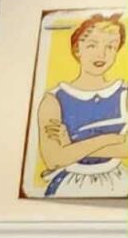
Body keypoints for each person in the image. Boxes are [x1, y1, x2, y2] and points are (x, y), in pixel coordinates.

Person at [35, 13, 127, 197]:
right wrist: (110, 138)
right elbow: (54, 158)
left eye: (110, 47)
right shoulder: (53, 99)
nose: (101, 54)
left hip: (118, 182)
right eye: (92, 45)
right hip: (69, 183)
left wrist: (71, 144)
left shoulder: (124, 94)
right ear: (77, 49)